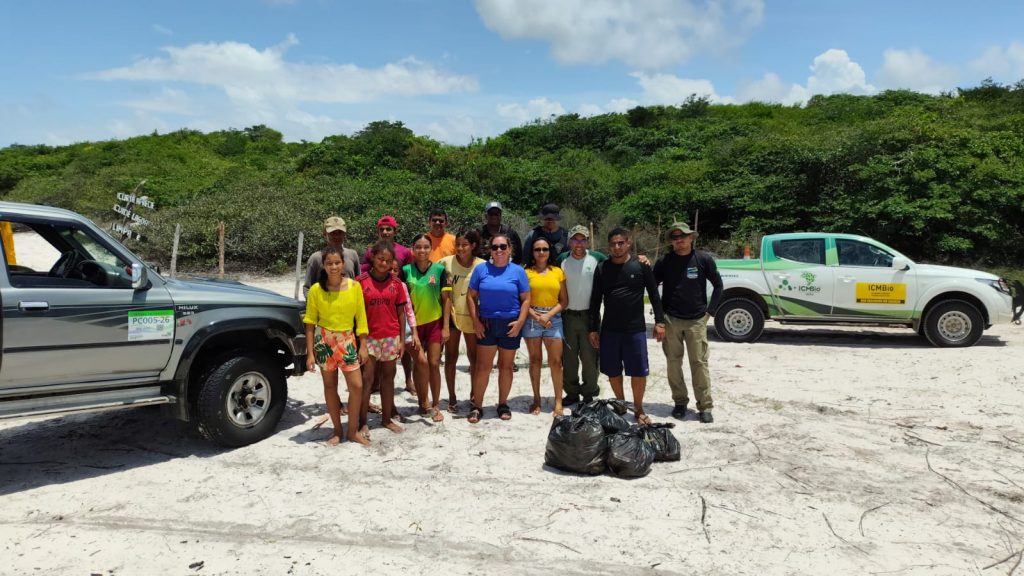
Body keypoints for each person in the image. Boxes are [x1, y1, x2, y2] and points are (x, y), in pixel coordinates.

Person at [588, 228, 666, 425]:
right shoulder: (602, 268)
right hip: (610, 330)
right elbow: (595, 300)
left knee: (638, 371)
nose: (616, 247)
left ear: (628, 243)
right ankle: (621, 404)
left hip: (635, 329)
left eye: (620, 243)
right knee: (613, 371)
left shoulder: (641, 266)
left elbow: (654, 295)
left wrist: (659, 321)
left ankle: (638, 408)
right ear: (608, 246)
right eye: (613, 244)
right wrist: (593, 328)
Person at [653, 221, 723, 424]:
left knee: (699, 363)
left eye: (682, 236)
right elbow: (652, 287)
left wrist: (710, 312)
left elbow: (718, 286)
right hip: (671, 320)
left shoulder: (703, 259)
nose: (679, 240)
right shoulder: (665, 261)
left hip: (697, 321)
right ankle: (680, 403)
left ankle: (705, 406)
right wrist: (660, 319)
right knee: (673, 364)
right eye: (675, 238)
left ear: (691, 237)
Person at [303, 245, 370, 446]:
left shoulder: (354, 286)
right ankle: (337, 431)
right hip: (324, 343)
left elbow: (361, 317)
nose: (333, 267)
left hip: (347, 342)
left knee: (357, 386)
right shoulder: (316, 289)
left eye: (337, 263)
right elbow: (309, 323)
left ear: (344, 263)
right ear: (323, 265)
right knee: (330, 387)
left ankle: (352, 431)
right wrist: (310, 353)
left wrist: (363, 344)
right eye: (329, 263)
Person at [466, 233, 530, 423]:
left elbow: (526, 299)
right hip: (486, 323)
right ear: (490, 251)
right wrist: (475, 321)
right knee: (483, 368)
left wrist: (520, 322)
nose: (499, 250)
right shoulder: (481, 269)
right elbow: (470, 296)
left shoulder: (518, 271)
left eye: (503, 247)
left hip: (510, 324)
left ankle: (502, 404)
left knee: (506, 367)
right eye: (495, 247)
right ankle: (477, 406)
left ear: (510, 249)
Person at [357, 241, 408, 435]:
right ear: (372, 258)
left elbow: (401, 313)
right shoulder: (360, 282)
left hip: (390, 338)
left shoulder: (396, 284)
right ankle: (362, 422)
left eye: (387, 260)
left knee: (388, 379)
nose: (384, 263)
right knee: (367, 379)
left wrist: (402, 340)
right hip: (368, 338)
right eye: (380, 259)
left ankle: (386, 419)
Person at [555, 224, 606, 406]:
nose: (579, 243)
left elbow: (617, 264)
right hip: (567, 316)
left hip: (589, 317)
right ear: (569, 241)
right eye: (575, 239)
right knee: (568, 357)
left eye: (583, 239)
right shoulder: (562, 259)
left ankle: (589, 391)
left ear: (588, 241)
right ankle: (571, 392)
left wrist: (640, 259)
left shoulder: (598, 259)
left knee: (590, 355)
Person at [403, 234, 450, 422]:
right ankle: (423, 402)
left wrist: (446, 326)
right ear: (413, 249)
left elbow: (446, 300)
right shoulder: (406, 270)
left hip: (434, 323)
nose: (422, 250)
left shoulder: (439, 270)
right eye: (418, 247)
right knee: (418, 363)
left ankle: (436, 403)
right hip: (413, 325)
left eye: (425, 247)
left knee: (433, 363)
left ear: (431, 249)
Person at [439, 228, 485, 413]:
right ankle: (451, 397)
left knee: (474, 358)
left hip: (474, 317)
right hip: (451, 317)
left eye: (464, 244)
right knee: (451, 358)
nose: (460, 248)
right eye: (457, 244)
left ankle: (474, 395)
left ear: (473, 245)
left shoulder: (482, 265)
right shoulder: (445, 264)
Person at [523, 237, 568, 416]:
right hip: (531, 317)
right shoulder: (526, 273)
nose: (541, 253)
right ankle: (536, 399)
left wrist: (548, 316)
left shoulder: (558, 272)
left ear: (550, 252)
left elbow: (564, 300)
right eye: (537, 249)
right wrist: (537, 316)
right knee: (534, 361)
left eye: (545, 249)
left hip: (553, 318)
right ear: (532, 253)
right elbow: (522, 300)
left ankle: (558, 402)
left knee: (556, 362)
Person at [303, 216, 360, 299]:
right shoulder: (316, 258)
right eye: (332, 233)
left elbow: (358, 283)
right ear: (324, 233)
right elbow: (307, 289)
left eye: (339, 232)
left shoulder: (353, 255)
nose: (336, 236)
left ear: (345, 233)